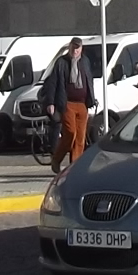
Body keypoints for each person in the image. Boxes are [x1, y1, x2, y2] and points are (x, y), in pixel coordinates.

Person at [40, 37, 96, 174]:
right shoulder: (62, 62)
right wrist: (51, 102)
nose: (75, 50)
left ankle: (74, 168)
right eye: (73, 47)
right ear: (69, 47)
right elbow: (53, 82)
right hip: (67, 103)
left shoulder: (85, 62)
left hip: (82, 104)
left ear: (81, 49)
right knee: (70, 134)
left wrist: (92, 98)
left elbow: (89, 80)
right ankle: (57, 159)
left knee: (80, 138)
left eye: (77, 48)